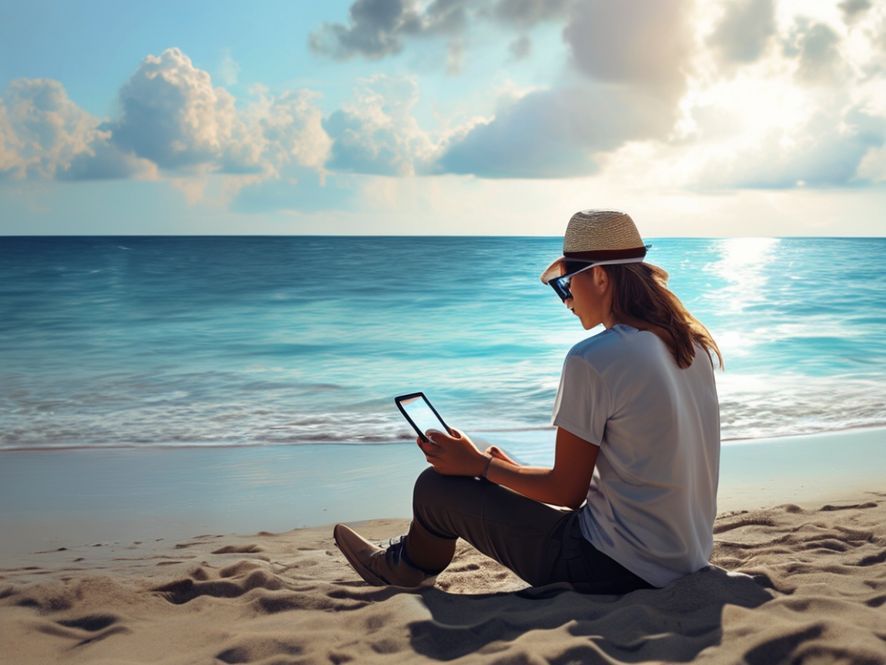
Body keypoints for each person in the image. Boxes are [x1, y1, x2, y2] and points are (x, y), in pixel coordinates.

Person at [334, 210, 723, 593]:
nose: (567, 301)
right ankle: (411, 559)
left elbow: (568, 493)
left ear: (601, 276)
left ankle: (403, 569)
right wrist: (506, 472)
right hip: (684, 560)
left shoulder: (595, 359)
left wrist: (480, 466)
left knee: (436, 488)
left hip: (610, 566)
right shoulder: (691, 347)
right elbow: (636, 478)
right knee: (481, 476)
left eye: (566, 285)